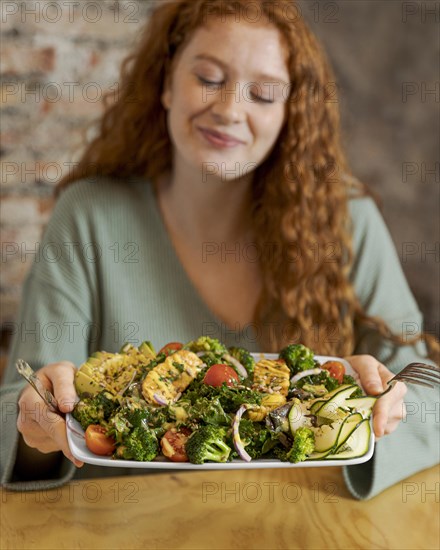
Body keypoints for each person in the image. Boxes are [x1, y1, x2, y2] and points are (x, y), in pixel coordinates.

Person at [1, 0, 438, 498]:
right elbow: (22, 405)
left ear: (290, 111)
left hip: (304, 525)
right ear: (165, 84)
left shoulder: (346, 218)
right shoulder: (89, 216)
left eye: (264, 93)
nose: (230, 109)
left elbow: (431, 398)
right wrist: (36, 422)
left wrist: (381, 413)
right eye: (208, 78)